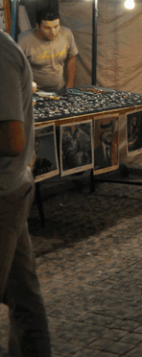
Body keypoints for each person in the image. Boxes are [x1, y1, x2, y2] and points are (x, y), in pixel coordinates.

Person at [0, 30, 52, 355]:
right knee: (23, 292)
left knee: (23, 292)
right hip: (11, 187)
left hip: (3, 192)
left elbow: (11, 140)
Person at [18, 7, 78, 92]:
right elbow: (16, 67)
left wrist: (70, 84)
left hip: (60, 89)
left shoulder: (66, 34)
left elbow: (71, 57)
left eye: (56, 27)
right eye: (47, 28)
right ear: (38, 26)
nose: (53, 32)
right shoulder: (23, 40)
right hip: (35, 91)